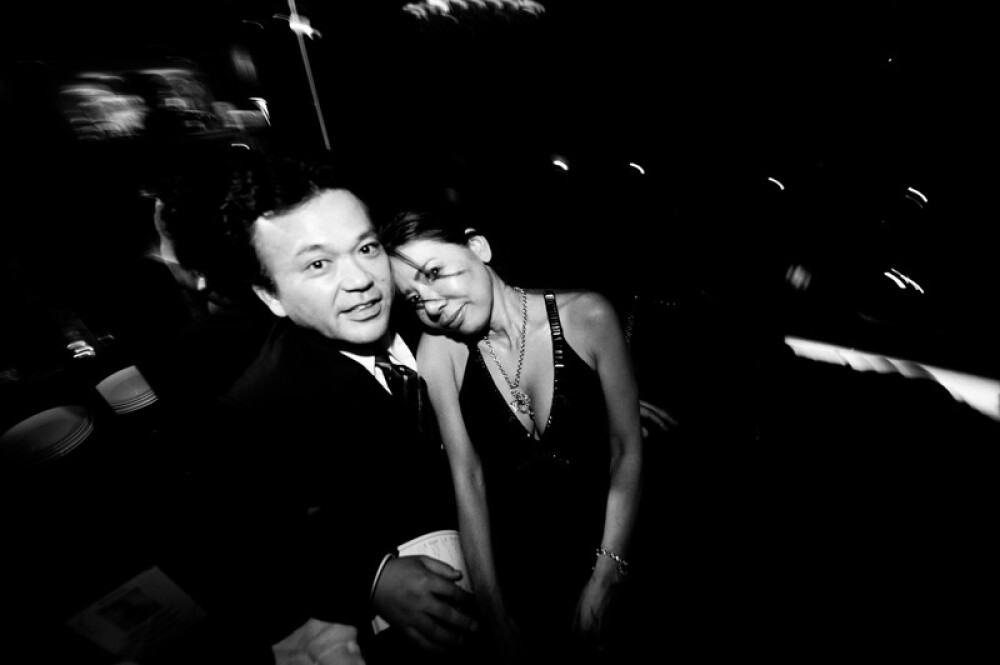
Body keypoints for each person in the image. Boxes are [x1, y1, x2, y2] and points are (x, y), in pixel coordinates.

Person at [157, 149, 480, 665]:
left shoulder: (441, 310)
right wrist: (373, 577)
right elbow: (242, 544)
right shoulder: (260, 404)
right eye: (317, 264)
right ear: (271, 296)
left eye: (367, 248)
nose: (360, 279)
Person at [379, 207, 645, 663]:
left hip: (613, 550)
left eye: (434, 273)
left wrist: (607, 575)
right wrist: (494, 614)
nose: (433, 305)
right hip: (520, 582)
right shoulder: (439, 352)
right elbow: (468, 481)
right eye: (415, 299)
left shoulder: (589, 315)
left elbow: (627, 451)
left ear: (477, 247)